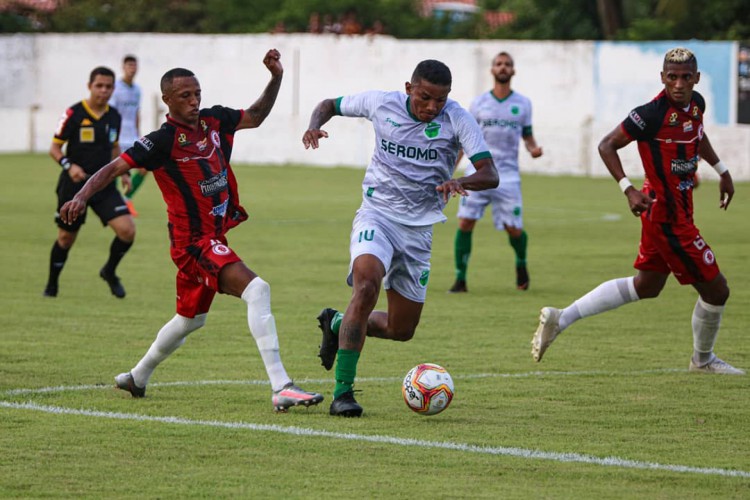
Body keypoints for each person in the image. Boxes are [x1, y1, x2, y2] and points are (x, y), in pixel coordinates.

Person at [60, 49, 325, 412]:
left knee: (189, 320)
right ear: (167, 100)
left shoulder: (215, 122)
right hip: (193, 244)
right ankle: (282, 386)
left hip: (213, 238)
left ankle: (137, 377)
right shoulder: (161, 141)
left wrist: (276, 77)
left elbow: (257, 116)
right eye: (185, 96)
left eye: (197, 93)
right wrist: (80, 195)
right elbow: (113, 169)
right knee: (257, 290)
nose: (194, 101)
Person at [302, 59, 499, 416]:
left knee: (400, 329)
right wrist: (314, 126)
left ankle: (336, 322)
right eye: (425, 98)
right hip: (377, 215)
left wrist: (461, 182)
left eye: (440, 100)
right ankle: (342, 395)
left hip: (419, 231)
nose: (432, 107)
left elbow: (490, 173)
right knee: (365, 288)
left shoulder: (457, 118)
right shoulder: (381, 103)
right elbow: (329, 105)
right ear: (409, 88)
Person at [531, 47, 744, 375]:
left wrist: (722, 170)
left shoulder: (696, 104)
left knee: (648, 285)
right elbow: (606, 145)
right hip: (667, 217)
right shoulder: (650, 114)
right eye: (672, 77)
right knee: (718, 290)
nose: (678, 84)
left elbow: (697, 136)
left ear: (696, 79)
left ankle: (562, 317)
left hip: (673, 211)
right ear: (662, 78)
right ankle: (702, 361)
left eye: (686, 77)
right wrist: (627, 188)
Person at [448, 51, 542, 293]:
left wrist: (533, 148)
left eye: (507, 64)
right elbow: (464, 140)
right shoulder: (479, 103)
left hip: (507, 176)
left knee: (514, 229)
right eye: (498, 64)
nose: (503, 67)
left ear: (513, 71)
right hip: (478, 173)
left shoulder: (523, 104)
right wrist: (451, 168)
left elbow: (528, 136)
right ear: (492, 70)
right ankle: (460, 279)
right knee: (465, 222)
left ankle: (521, 264)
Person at [44, 66, 134, 299]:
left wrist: (123, 172)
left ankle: (109, 271)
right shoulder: (74, 114)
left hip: (103, 185)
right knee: (65, 238)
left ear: (114, 89)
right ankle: (52, 285)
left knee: (127, 231)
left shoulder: (114, 116)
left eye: (108, 87)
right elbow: (54, 148)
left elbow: (115, 147)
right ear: (89, 86)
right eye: (99, 86)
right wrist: (68, 165)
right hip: (74, 187)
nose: (103, 91)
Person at [109, 54, 145, 217]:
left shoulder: (137, 90)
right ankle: (114, 201)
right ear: (123, 67)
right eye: (129, 65)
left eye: (134, 65)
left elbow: (136, 113)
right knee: (113, 170)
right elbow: (110, 113)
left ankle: (126, 198)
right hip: (117, 137)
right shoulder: (115, 88)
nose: (132, 68)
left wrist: (139, 135)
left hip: (132, 138)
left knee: (145, 167)